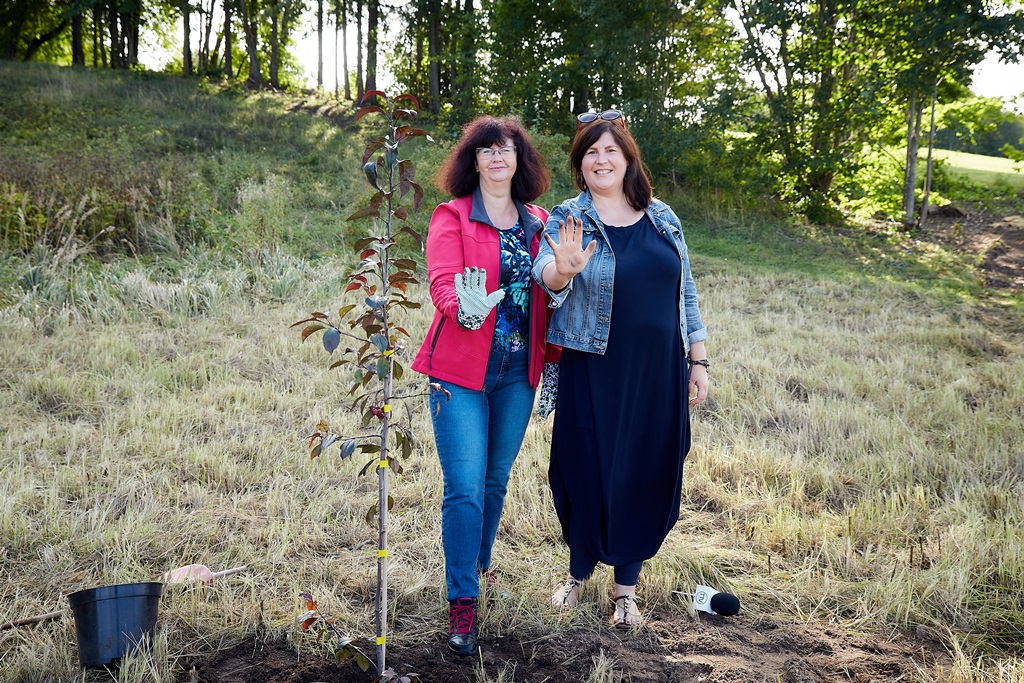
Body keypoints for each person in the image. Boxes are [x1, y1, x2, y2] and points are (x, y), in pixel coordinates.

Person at [532, 110, 710, 628]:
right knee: (584, 467)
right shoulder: (570, 217)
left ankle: (626, 591)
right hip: (595, 368)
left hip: (658, 371)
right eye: (591, 152)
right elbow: (545, 276)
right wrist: (563, 270)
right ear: (580, 165)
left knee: (645, 468)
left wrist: (698, 358)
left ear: (628, 158)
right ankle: (577, 573)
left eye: (611, 150)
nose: (601, 159)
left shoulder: (662, 216)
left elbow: (686, 291)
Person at [411, 116, 553, 655]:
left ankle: (481, 565)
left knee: (495, 482)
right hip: (459, 373)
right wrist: (462, 310)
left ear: (520, 160)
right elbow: (442, 280)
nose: (497, 157)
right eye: (486, 149)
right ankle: (463, 600)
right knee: (465, 488)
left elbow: (555, 283)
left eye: (506, 149)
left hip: (517, 373)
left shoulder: (539, 222)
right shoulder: (451, 216)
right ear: (473, 160)